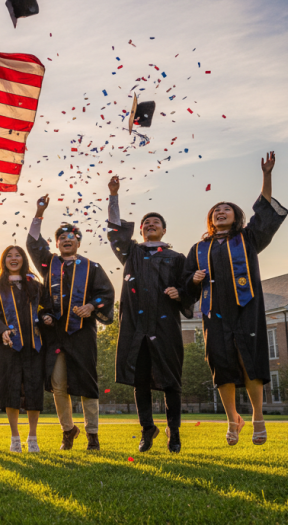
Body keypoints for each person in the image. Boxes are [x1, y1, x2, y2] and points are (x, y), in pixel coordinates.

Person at [183, 152, 287, 446]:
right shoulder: (199, 247)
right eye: (216, 210)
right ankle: (232, 419)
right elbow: (187, 282)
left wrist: (266, 176)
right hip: (214, 312)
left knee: (250, 361)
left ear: (236, 216)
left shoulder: (248, 238)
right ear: (211, 219)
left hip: (246, 307)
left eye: (227, 209)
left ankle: (257, 417)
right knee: (221, 366)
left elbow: (264, 210)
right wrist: (194, 279)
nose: (221, 211)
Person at [106, 175, 193, 453]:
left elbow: (188, 288)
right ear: (141, 231)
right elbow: (117, 230)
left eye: (156, 222)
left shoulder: (177, 258)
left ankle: (174, 432)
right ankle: (147, 430)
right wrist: (114, 196)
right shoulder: (131, 253)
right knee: (139, 379)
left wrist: (180, 293)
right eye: (146, 223)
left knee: (171, 381)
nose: (151, 225)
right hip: (135, 327)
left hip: (165, 327)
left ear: (164, 230)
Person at [27, 195, 115, 451]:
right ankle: (68, 430)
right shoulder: (49, 264)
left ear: (78, 241)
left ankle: (92, 435)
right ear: (56, 243)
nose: (67, 240)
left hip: (82, 332)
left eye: (72, 237)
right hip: (54, 333)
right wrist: (39, 212)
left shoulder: (91, 267)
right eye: (62, 238)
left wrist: (91, 305)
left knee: (88, 383)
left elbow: (106, 294)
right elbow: (33, 244)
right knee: (57, 384)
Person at [0, 246, 48, 453]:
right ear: (3, 261)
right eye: (9, 256)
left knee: (33, 390)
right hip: (9, 347)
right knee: (10, 390)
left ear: (23, 259)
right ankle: (14, 438)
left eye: (17, 255)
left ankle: (33, 437)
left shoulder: (36, 286)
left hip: (34, 346)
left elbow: (48, 308)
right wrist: (1, 330)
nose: (13, 258)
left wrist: (47, 317)